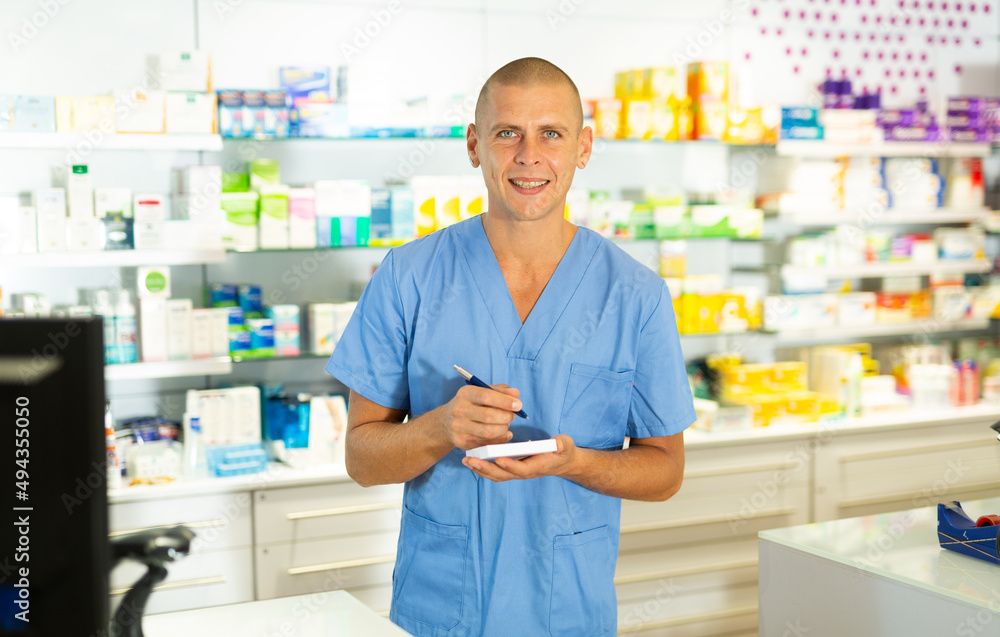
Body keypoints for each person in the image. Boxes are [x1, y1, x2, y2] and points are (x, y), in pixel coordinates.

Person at [326, 57, 694, 637]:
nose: (529, 155)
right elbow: (361, 460)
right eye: (507, 133)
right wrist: (438, 427)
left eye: (551, 133)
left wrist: (577, 462)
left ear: (583, 147)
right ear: (475, 145)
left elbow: (666, 471)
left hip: (569, 612)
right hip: (442, 610)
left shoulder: (634, 294)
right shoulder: (408, 277)